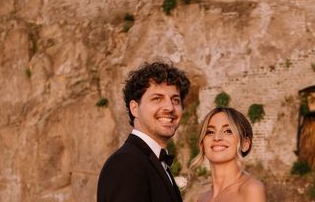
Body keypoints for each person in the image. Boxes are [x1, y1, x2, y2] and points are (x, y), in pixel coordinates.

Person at [97, 60, 191, 202]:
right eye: (157, 98)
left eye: (175, 100)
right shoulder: (126, 163)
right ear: (135, 108)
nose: (170, 107)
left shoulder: (150, 161)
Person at [191, 107, 266, 202]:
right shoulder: (202, 198)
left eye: (228, 131)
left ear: (245, 144)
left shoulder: (251, 189)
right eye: (210, 132)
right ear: (202, 143)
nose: (217, 138)